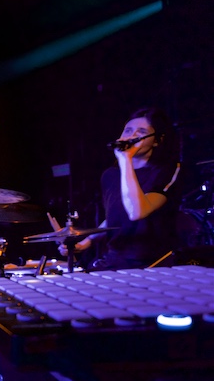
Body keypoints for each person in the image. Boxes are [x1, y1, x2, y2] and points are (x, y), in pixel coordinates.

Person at [59, 107, 183, 269]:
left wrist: (125, 160)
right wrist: (86, 242)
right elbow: (115, 216)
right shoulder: (110, 175)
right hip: (115, 258)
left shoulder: (167, 170)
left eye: (140, 132)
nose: (131, 137)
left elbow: (137, 211)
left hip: (152, 264)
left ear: (157, 140)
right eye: (128, 131)